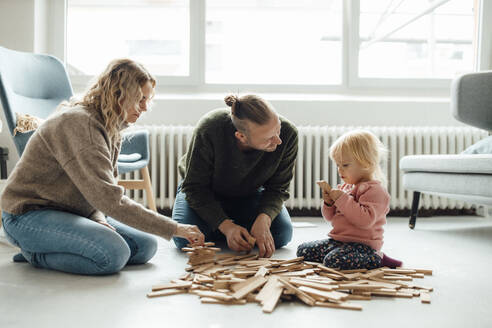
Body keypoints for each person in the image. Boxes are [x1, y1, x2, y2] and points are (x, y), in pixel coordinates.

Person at [1, 59, 204, 275]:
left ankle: (57, 245)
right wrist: (174, 228)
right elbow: (109, 198)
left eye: (147, 100)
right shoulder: (80, 125)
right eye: (140, 99)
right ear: (119, 94)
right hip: (27, 214)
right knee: (113, 255)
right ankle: (35, 253)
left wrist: (97, 219)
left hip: (71, 212)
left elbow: (99, 188)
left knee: (145, 246)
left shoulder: (109, 124)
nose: (144, 108)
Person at [172, 94, 298, 258]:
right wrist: (226, 227)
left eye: (278, 128)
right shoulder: (210, 128)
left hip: (250, 192)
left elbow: (278, 188)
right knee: (185, 240)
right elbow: (194, 188)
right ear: (241, 137)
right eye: (268, 138)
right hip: (205, 192)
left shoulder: (288, 134)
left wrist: (263, 220)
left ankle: (224, 229)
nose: (278, 140)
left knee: (282, 234)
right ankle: (226, 227)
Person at [296, 130, 402, 270]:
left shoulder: (375, 191)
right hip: (338, 241)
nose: (340, 170)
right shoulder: (345, 188)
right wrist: (329, 203)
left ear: (366, 163)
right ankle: (336, 253)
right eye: (338, 165)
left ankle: (377, 258)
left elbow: (364, 221)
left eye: (345, 165)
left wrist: (342, 199)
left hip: (363, 246)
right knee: (302, 250)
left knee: (333, 261)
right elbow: (330, 218)